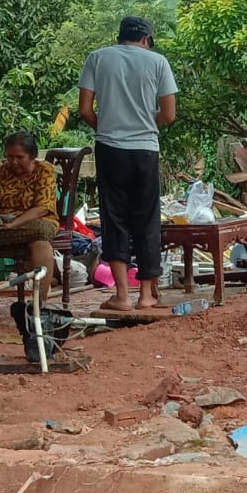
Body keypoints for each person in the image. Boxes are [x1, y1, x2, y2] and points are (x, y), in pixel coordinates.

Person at [78, 16, 177, 311]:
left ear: (120, 36)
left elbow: (85, 109)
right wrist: (146, 123)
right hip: (145, 149)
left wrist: (107, 127)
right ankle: (146, 295)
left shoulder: (97, 58)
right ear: (146, 39)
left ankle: (121, 296)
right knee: (146, 219)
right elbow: (169, 114)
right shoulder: (157, 62)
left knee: (114, 218)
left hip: (109, 148)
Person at [0, 131, 59, 313]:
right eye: (10, 157)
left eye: (20, 157)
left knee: (41, 238)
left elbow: (42, 207)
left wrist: (13, 224)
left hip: (36, 222)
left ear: (32, 156)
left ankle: (40, 302)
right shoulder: (4, 170)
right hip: (4, 225)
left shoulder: (45, 170)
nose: (14, 162)